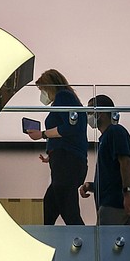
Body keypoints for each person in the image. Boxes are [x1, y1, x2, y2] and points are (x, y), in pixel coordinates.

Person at [26, 69, 88, 225]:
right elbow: (70, 134)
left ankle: (83, 242)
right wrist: (51, 155)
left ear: (50, 86)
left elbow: (69, 128)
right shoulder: (69, 98)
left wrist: (43, 134)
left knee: (68, 209)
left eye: (43, 90)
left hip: (66, 162)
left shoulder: (63, 97)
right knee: (50, 205)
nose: (42, 94)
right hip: (66, 159)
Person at [79, 95, 130, 225]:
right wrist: (91, 186)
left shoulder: (115, 131)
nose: (88, 115)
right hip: (110, 204)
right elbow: (111, 175)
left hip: (115, 204)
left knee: (107, 243)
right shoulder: (105, 137)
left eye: (90, 111)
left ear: (100, 113)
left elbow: (125, 162)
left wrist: (127, 193)